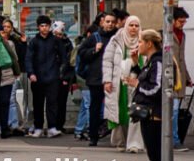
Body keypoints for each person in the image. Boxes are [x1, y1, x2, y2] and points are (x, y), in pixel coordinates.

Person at [128, 29, 163, 161]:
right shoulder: (150, 62)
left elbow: (155, 88)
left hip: (153, 115)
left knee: (156, 155)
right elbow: (144, 78)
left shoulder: (157, 61)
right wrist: (135, 64)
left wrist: (138, 85)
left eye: (141, 41)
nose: (138, 44)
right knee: (154, 155)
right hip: (148, 114)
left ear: (149, 43)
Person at [104, 14, 143, 152]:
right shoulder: (116, 40)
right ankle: (119, 141)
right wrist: (107, 80)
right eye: (131, 25)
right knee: (119, 111)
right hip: (118, 81)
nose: (133, 28)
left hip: (135, 81)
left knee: (135, 111)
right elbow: (107, 61)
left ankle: (134, 143)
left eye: (136, 25)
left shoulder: (142, 40)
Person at [78, 11, 116, 146]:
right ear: (102, 22)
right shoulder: (94, 37)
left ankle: (115, 134)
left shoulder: (117, 37)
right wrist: (94, 50)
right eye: (108, 21)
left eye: (112, 22)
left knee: (114, 106)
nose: (110, 24)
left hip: (113, 77)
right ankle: (93, 135)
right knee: (95, 107)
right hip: (96, 78)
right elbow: (81, 53)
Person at [25, 15, 65, 138]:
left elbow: (64, 57)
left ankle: (52, 127)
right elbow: (28, 59)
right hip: (37, 77)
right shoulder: (34, 41)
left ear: (49, 26)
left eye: (46, 26)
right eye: (42, 26)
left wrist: (61, 73)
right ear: (38, 27)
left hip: (53, 77)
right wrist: (31, 73)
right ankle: (38, 127)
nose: (44, 28)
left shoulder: (56, 41)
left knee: (52, 103)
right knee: (38, 103)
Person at [172, 6, 192, 152]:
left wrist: (187, 77)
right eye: (180, 21)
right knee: (173, 111)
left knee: (175, 110)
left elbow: (182, 58)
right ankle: (174, 140)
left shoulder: (182, 35)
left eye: (184, 22)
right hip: (169, 78)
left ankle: (174, 138)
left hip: (179, 77)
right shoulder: (166, 35)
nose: (182, 24)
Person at [1, 18, 27, 134]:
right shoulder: (0, 40)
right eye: (4, 26)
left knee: (11, 99)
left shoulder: (15, 41)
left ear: (12, 29)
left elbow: (20, 56)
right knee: (9, 99)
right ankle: (11, 123)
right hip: (5, 73)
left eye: (8, 27)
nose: (5, 29)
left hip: (13, 73)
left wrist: (23, 42)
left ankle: (13, 124)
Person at [53, 21, 75, 133]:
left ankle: (59, 124)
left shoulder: (67, 43)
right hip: (52, 76)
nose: (58, 37)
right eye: (56, 34)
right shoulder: (51, 43)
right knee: (53, 102)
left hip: (63, 76)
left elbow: (70, 61)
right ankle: (53, 124)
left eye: (60, 35)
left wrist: (67, 77)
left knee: (61, 102)